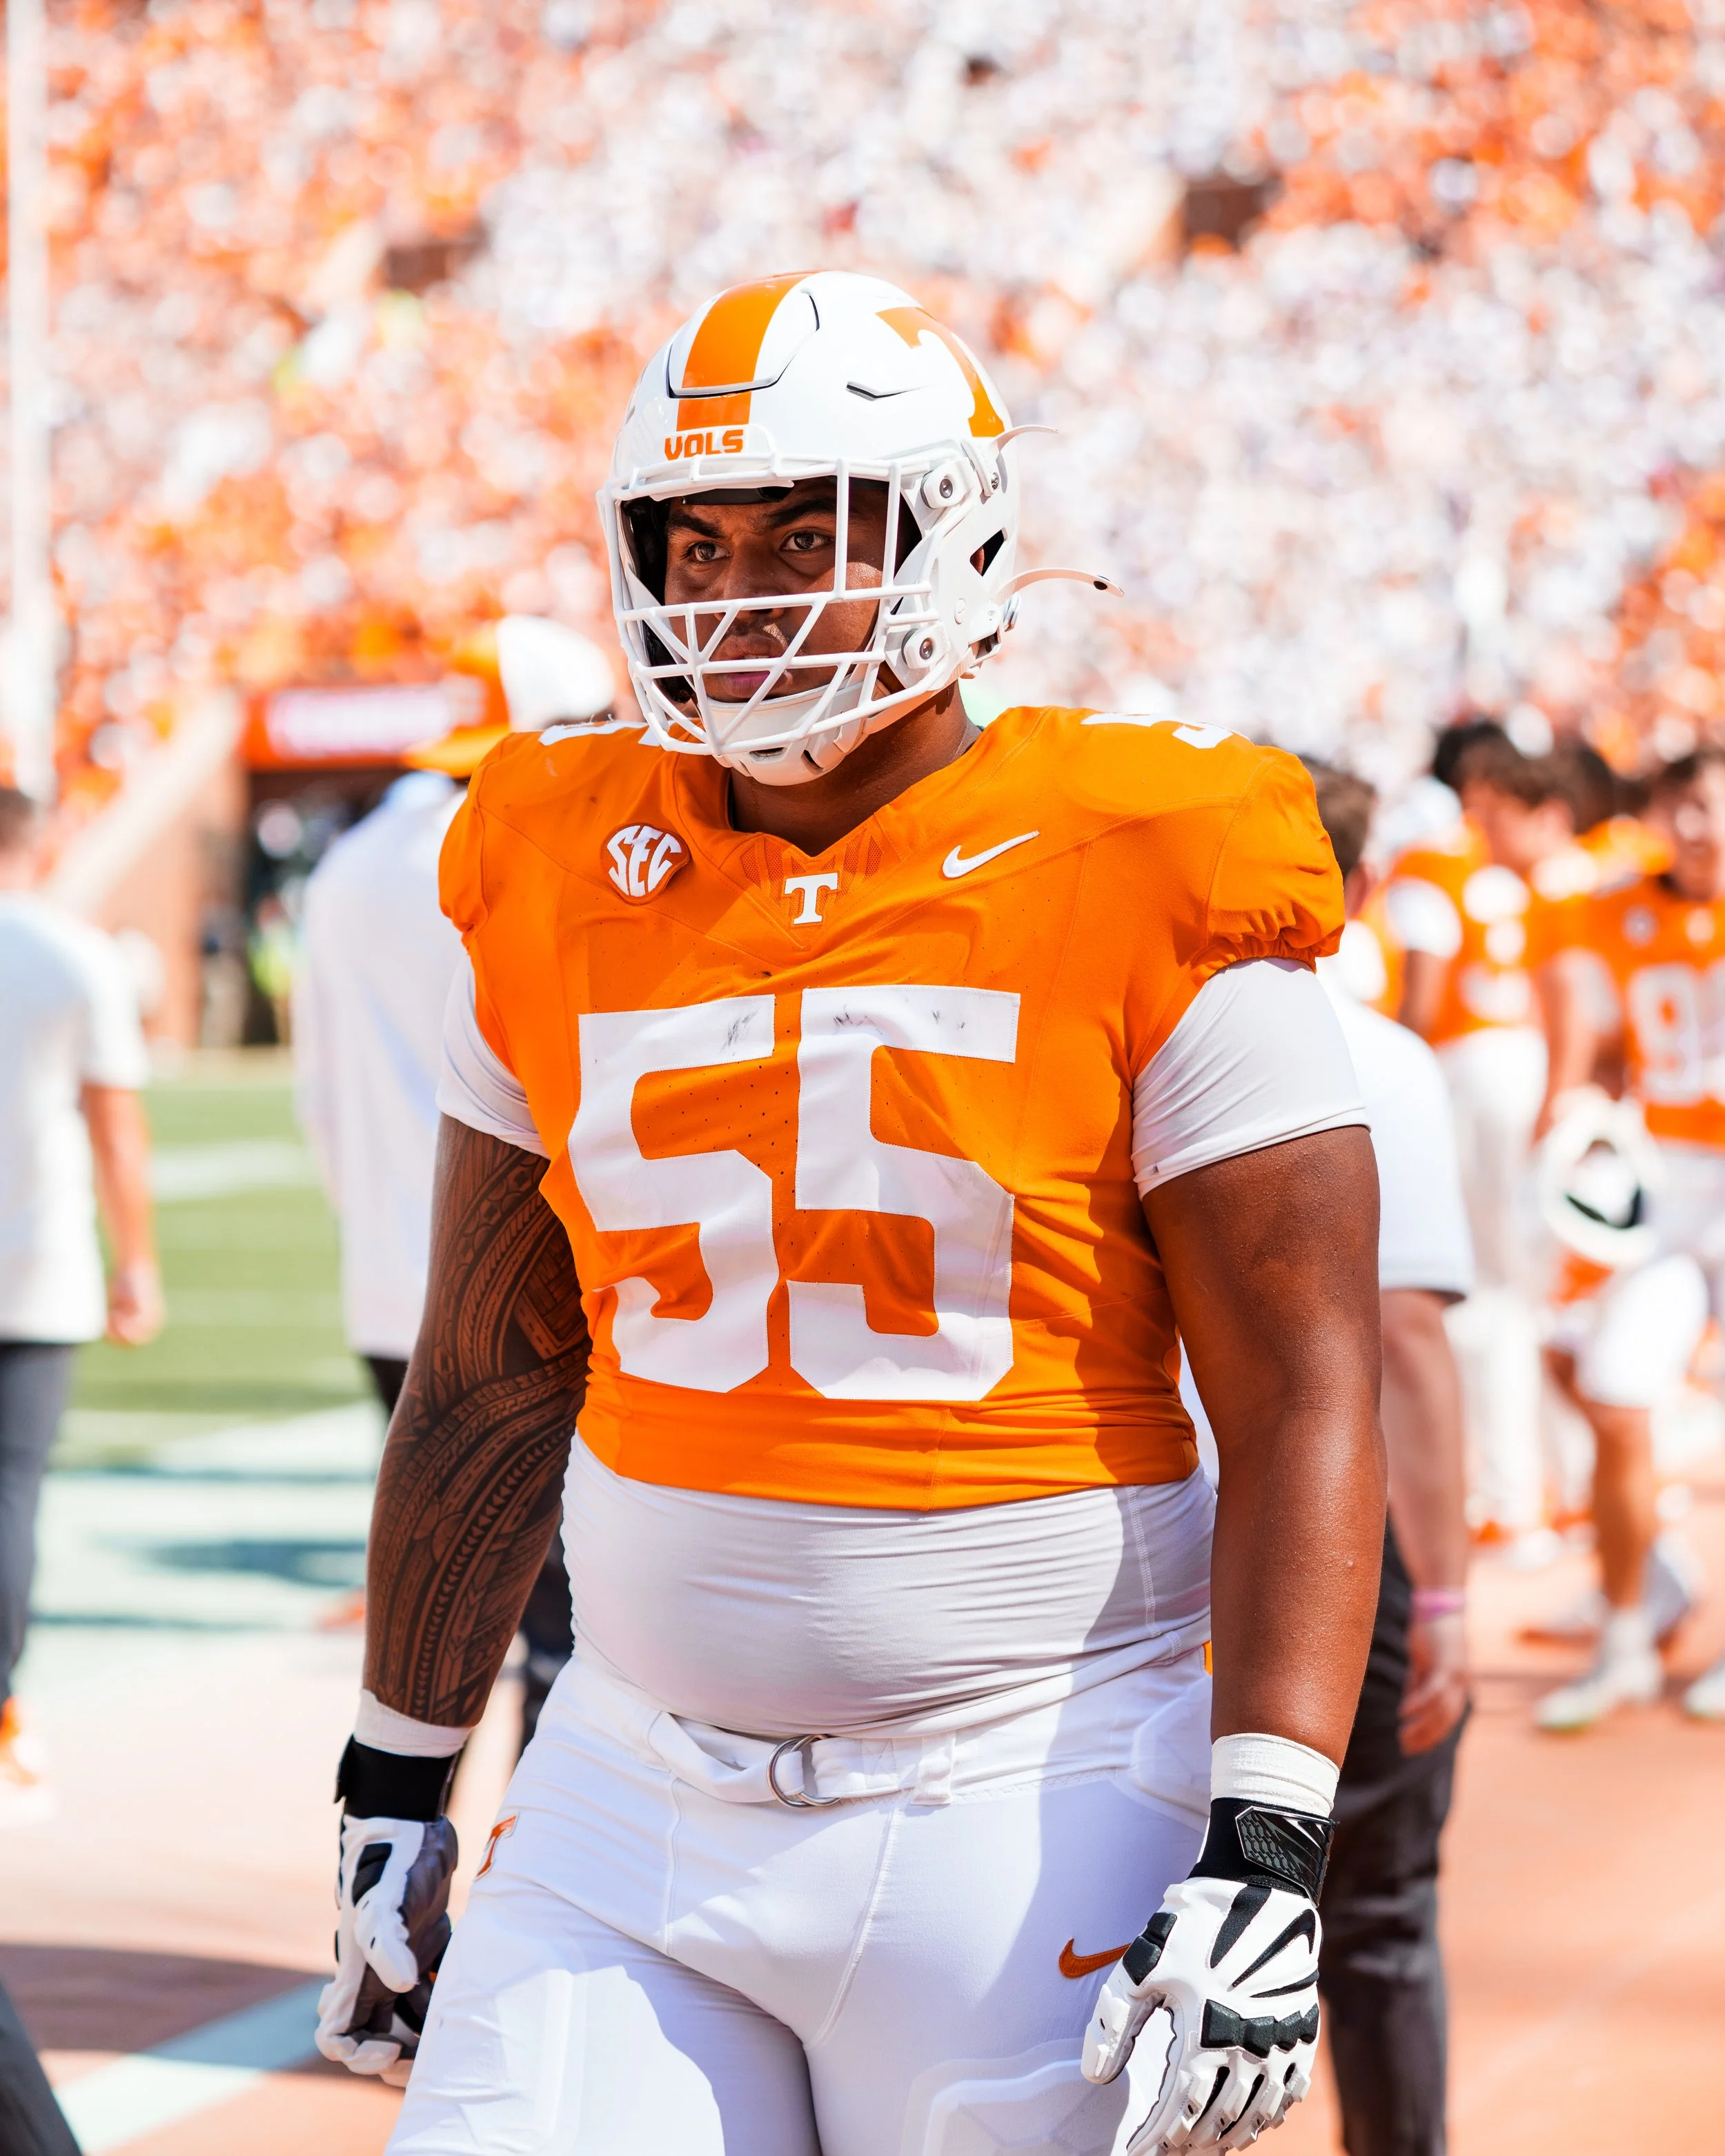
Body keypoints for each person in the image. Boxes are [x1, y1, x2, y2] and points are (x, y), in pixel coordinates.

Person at [316, 271, 1386, 2156]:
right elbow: (492, 1363)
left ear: (955, 533)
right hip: (627, 1783)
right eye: (696, 537)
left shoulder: (1150, 847)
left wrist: (1268, 1826)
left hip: (1028, 1787)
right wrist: (395, 1768)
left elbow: (1307, 1380)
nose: (739, 588)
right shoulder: (555, 847)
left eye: (812, 529)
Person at [294, 617, 615, 1738]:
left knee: (444, 1610)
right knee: (575, 1632)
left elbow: (318, 1093)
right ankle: (535, 1883)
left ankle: (407, 1838)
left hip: (390, 1279)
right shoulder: (533, 845)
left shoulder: (348, 862)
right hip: (537, 1280)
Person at [1306, 764, 1473, 2156]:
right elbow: (1407, 1340)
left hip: (1119, 1530)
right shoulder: (1369, 1055)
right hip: (1327, 1540)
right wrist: (1447, 1598)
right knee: (1369, 1912)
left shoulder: (1113, 1032)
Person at [1536, 746, 1725, 1728]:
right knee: (1610, 1383)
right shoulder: (1620, 911)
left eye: (1706, 804)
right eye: (1678, 806)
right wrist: (1580, 1110)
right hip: (1672, 1179)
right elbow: (1606, 1046)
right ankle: (1631, 1623)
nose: (1692, 825)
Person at [0, 785, 162, 1825]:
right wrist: (135, 1258)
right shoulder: (71, 953)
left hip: (41, 1264)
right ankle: (5, 1709)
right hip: (37, 1264)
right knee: (11, 1497)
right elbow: (116, 1129)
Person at [1384, 738, 1573, 1553]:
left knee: (1485, 1294)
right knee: (1529, 1288)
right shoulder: (1546, 865)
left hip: (1469, 1068)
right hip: (1530, 1061)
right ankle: (1551, 1485)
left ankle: (1510, 1491)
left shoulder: (1434, 861)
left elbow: (1423, 994)